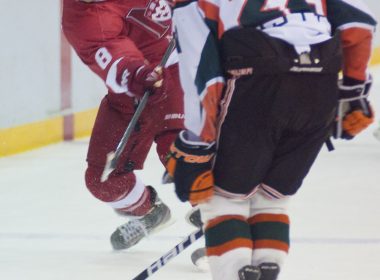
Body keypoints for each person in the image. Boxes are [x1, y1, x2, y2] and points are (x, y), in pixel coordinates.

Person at [166, 0, 377, 279]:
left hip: (259, 84)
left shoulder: (190, 4)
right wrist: (353, 94)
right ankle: (267, 269)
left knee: (224, 200)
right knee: (271, 198)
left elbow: (201, 77)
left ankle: (234, 272)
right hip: (320, 85)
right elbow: (361, 23)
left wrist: (197, 147)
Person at [62, 0, 185, 250]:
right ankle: (151, 212)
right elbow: (115, 58)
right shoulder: (80, 18)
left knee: (180, 154)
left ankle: (222, 216)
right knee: (103, 182)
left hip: (178, 70)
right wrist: (138, 73)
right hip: (130, 93)